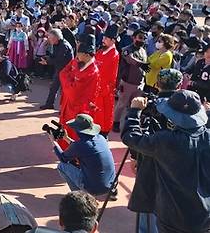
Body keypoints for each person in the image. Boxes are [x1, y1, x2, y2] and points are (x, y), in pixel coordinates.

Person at [122, 90, 210, 233]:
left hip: (174, 218)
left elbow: (131, 137)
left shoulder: (166, 141)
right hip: (204, 217)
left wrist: (134, 112)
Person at [50, 114, 115, 197]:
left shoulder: (80, 145)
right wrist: (66, 138)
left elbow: (63, 158)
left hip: (94, 189)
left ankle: (79, 197)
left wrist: (53, 140)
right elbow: (83, 147)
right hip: (111, 185)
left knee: (62, 166)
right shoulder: (101, 138)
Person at [59, 35, 100, 143]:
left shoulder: (92, 72)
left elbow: (74, 91)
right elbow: (63, 72)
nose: (76, 56)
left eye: (79, 53)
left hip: (80, 107)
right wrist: (71, 79)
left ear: (87, 55)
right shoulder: (78, 61)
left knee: (75, 131)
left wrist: (69, 78)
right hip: (70, 103)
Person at [113, 29, 149, 132]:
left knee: (135, 106)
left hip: (139, 83)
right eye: (140, 37)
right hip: (128, 82)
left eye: (144, 38)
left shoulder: (143, 50)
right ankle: (116, 122)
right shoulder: (126, 49)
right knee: (121, 104)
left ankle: (130, 123)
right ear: (133, 37)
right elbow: (130, 59)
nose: (142, 40)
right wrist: (141, 64)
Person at [40, 29, 74, 110]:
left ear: (56, 38)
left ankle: (65, 108)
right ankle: (49, 104)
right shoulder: (56, 44)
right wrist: (46, 58)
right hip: (60, 69)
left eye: (50, 38)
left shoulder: (64, 46)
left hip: (66, 70)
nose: (49, 39)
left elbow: (59, 59)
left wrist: (47, 62)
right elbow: (54, 56)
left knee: (65, 91)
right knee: (53, 87)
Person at [94, 33, 120, 137]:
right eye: (103, 37)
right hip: (97, 87)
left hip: (105, 89)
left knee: (105, 112)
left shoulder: (114, 54)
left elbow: (110, 75)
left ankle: (104, 133)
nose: (103, 40)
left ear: (113, 40)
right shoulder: (101, 51)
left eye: (106, 38)